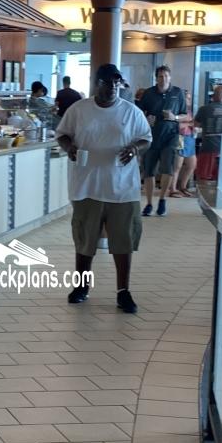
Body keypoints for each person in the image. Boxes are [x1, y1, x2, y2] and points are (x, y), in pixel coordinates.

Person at [56, 63, 151, 313]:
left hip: (122, 187)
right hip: (87, 185)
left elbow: (146, 138)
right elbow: (63, 134)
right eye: (108, 83)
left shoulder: (131, 111)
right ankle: (81, 286)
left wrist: (135, 148)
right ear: (96, 84)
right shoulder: (79, 110)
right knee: (85, 240)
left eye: (116, 83)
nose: (113, 88)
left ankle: (123, 291)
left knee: (123, 241)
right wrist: (70, 148)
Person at [136, 65, 188, 217]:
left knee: (167, 168)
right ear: (156, 78)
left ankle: (162, 200)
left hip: (170, 136)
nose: (163, 79)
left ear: (170, 77)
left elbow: (185, 115)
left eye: (166, 76)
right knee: (149, 170)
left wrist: (174, 117)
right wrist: (146, 119)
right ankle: (149, 203)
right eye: (160, 76)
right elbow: (139, 113)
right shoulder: (149, 93)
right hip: (151, 136)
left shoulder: (178, 93)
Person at [192, 82, 222, 186]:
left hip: (208, 148)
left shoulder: (204, 109)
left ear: (213, 95)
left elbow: (195, 125)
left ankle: (203, 194)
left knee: (203, 176)